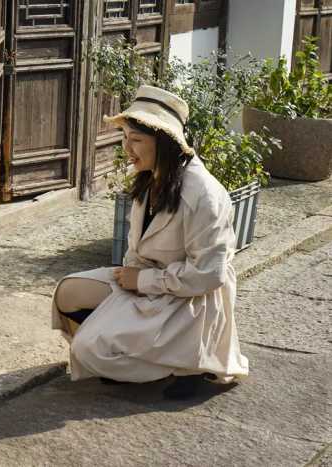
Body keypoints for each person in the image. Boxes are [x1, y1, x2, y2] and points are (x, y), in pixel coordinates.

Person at [51, 85, 249, 399]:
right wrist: (132, 282)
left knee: (88, 348)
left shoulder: (205, 195)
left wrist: (144, 281)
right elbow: (137, 252)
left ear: (166, 143)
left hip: (190, 300)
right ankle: (128, 352)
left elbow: (209, 275)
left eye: (137, 140)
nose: (127, 149)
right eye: (125, 138)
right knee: (67, 293)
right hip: (148, 285)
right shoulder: (152, 179)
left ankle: (188, 365)